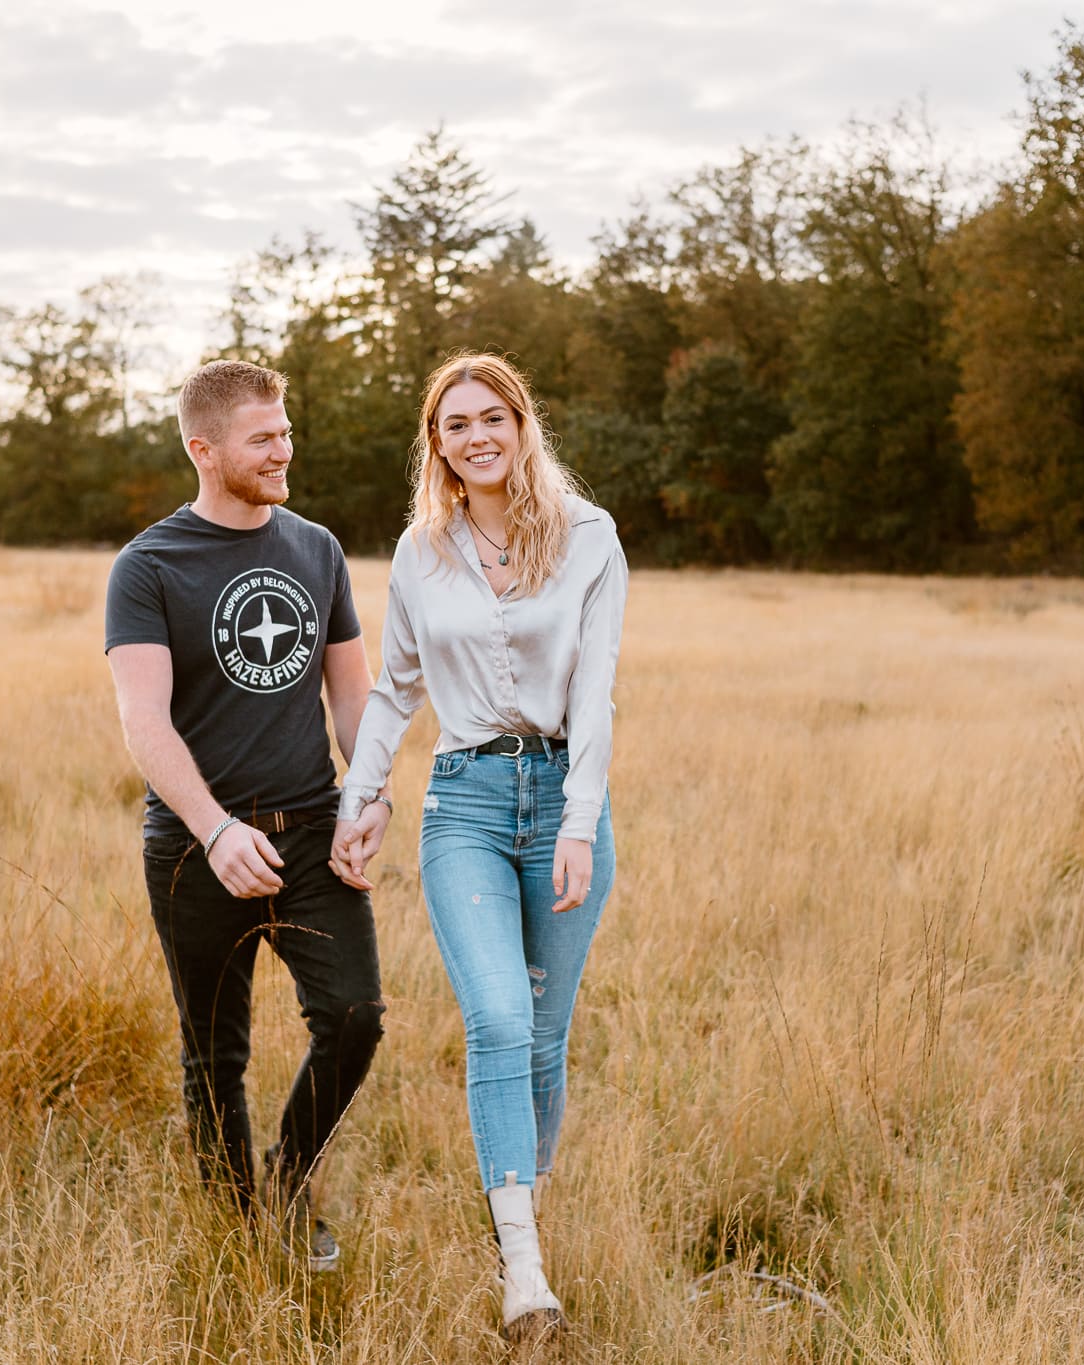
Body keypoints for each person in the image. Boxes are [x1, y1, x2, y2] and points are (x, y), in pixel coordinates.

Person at [331, 353, 627, 1347]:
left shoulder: (589, 539)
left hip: (559, 801)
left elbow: (593, 692)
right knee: (498, 1019)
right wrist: (357, 796)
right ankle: (523, 1263)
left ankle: (518, 1203)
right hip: (461, 803)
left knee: (545, 1035)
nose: (475, 436)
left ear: (520, 423)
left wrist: (578, 822)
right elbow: (395, 688)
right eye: (454, 424)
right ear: (438, 445)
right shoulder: (421, 552)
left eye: (491, 416)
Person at [104, 359, 384, 1272]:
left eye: (286, 431)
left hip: (311, 830)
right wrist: (217, 828)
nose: (284, 450)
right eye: (263, 437)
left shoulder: (317, 548)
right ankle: (232, 1234)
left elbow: (353, 697)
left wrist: (369, 794)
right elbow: (143, 718)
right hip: (196, 846)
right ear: (205, 448)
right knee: (213, 1057)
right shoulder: (148, 566)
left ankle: (291, 1179)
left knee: (353, 1016)